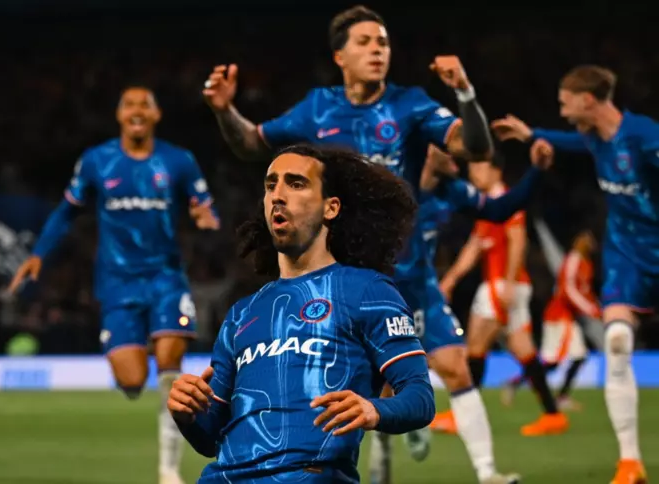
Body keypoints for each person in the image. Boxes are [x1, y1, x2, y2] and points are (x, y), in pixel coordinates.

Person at [202, 6, 532, 483]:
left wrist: (465, 93)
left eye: (383, 42)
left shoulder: (410, 105)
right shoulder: (317, 108)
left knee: (453, 367)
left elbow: (476, 147)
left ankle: (487, 474)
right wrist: (223, 110)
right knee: (346, 376)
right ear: (340, 56)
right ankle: (368, 455)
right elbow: (253, 144)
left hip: (408, 273)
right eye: (365, 42)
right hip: (341, 279)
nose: (378, 50)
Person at [167, 144, 434, 483]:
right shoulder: (241, 314)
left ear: (330, 208)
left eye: (296, 184)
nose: (278, 195)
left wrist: (374, 409)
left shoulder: (368, 291)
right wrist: (187, 412)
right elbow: (210, 437)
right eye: (271, 185)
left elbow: (419, 396)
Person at [8, 86, 219, 484]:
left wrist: (207, 217)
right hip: (118, 284)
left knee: (170, 368)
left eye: (145, 104)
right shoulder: (97, 161)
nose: (137, 110)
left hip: (166, 279)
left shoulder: (178, 161)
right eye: (129, 104)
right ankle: (134, 365)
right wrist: (39, 253)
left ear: (156, 115)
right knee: (132, 380)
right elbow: (67, 211)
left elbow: (207, 208)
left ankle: (168, 469)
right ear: (119, 115)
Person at [491, 64, 658, 483]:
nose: (563, 112)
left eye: (565, 104)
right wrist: (532, 135)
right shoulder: (594, 139)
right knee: (617, 342)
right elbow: (567, 141)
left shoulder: (643, 136)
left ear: (587, 100)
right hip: (626, 256)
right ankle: (630, 462)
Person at [438, 140, 570, 437]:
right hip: (508, 285)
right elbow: (474, 248)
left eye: (479, 166)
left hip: (501, 285)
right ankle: (553, 414)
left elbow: (518, 240)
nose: (473, 173)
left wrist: (508, 283)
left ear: (495, 170)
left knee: (475, 347)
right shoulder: (488, 205)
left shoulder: (505, 201)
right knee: (524, 350)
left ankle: (463, 416)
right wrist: (451, 279)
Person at [501, 230, 600, 412]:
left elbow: (584, 291)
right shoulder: (574, 260)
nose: (592, 244)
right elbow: (569, 290)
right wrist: (591, 309)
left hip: (567, 317)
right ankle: (517, 383)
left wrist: (593, 306)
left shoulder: (585, 263)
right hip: (559, 316)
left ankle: (560, 396)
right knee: (553, 361)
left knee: (578, 356)